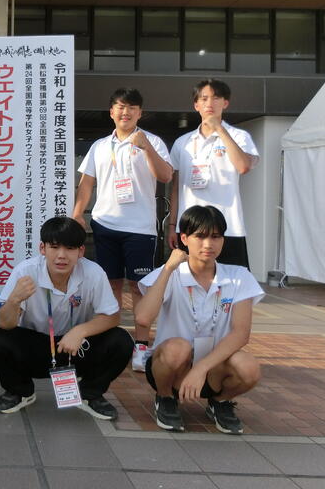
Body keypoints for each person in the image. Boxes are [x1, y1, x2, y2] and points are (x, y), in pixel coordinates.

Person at [0, 217, 134, 419]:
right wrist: (14, 300)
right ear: (42, 248)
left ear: (81, 251)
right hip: (35, 347)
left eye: (70, 248)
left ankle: (89, 394)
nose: (61, 256)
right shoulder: (25, 271)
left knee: (122, 341)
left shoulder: (94, 273)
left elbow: (112, 317)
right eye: (54, 247)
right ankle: (20, 391)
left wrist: (80, 331)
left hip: (77, 348)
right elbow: (5, 323)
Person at [135, 205, 263, 434]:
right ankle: (165, 397)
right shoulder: (172, 273)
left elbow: (241, 333)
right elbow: (143, 318)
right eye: (200, 236)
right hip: (172, 367)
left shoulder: (239, 276)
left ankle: (220, 402)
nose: (208, 244)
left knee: (249, 367)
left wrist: (201, 368)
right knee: (177, 348)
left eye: (215, 236)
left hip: (213, 369)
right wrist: (168, 268)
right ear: (184, 238)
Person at [72, 88, 172, 373]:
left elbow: (165, 176)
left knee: (139, 287)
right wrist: (77, 213)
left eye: (131, 107)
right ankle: (111, 339)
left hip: (140, 228)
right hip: (105, 223)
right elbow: (87, 183)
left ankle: (141, 346)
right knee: (110, 284)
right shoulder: (100, 146)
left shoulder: (153, 141)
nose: (125, 112)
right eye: (120, 106)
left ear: (140, 113)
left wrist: (146, 147)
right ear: (111, 112)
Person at [168, 79, 259, 268]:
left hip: (228, 227)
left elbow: (243, 166)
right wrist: (172, 226)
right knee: (189, 280)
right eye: (204, 98)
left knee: (232, 281)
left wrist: (220, 130)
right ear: (196, 105)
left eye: (216, 98)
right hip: (190, 227)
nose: (210, 103)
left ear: (225, 103)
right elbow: (176, 187)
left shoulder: (239, 136)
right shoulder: (182, 142)